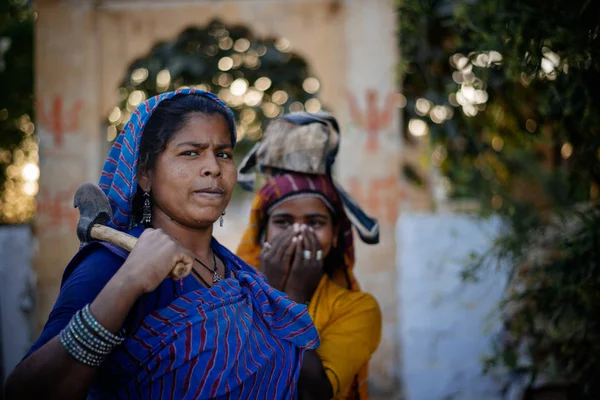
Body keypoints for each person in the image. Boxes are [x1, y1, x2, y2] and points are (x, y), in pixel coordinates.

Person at [5, 89, 318, 400]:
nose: (213, 167)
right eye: (190, 153)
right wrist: (129, 282)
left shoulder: (244, 279)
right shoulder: (111, 265)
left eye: (223, 154)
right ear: (144, 174)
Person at [236, 113, 383, 400]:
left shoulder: (357, 308)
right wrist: (270, 287)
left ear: (336, 234)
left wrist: (291, 297)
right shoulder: (231, 293)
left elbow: (313, 393)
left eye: (315, 223)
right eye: (283, 222)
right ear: (262, 233)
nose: (299, 233)